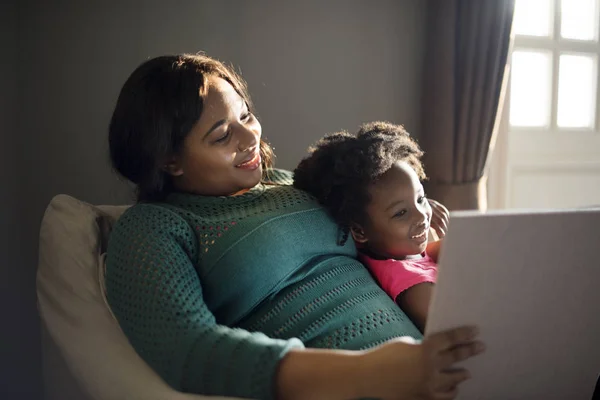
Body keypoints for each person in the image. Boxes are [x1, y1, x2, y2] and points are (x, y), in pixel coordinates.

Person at [105, 53, 484, 400]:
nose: (250, 137)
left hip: (436, 373)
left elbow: (382, 241)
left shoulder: (296, 184)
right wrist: (367, 373)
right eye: (222, 135)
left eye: (246, 116)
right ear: (170, 160)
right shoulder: (153, 226)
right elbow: (185, 349)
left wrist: (416, 212)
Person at [293, 122, 445, 331]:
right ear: (359, 231)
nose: (422, 215)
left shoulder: (400, 252)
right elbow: (453, 326)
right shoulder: (412, 285)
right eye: (401, 213)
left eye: (421, 199)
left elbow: (430, 253)